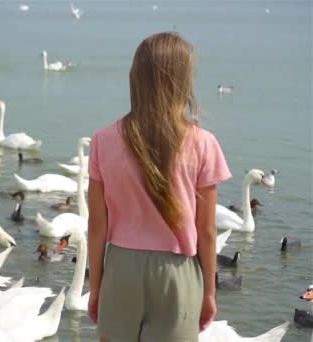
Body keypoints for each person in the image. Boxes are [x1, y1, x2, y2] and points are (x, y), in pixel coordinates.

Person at [87, 32, 231, 342]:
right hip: (177, 272)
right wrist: (209, 293)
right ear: (184, 81)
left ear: (135, 78)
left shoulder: (102, 140)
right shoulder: (204, 144)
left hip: (121, 268)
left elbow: (97, 225)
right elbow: (206, 231)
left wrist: (97, 286)